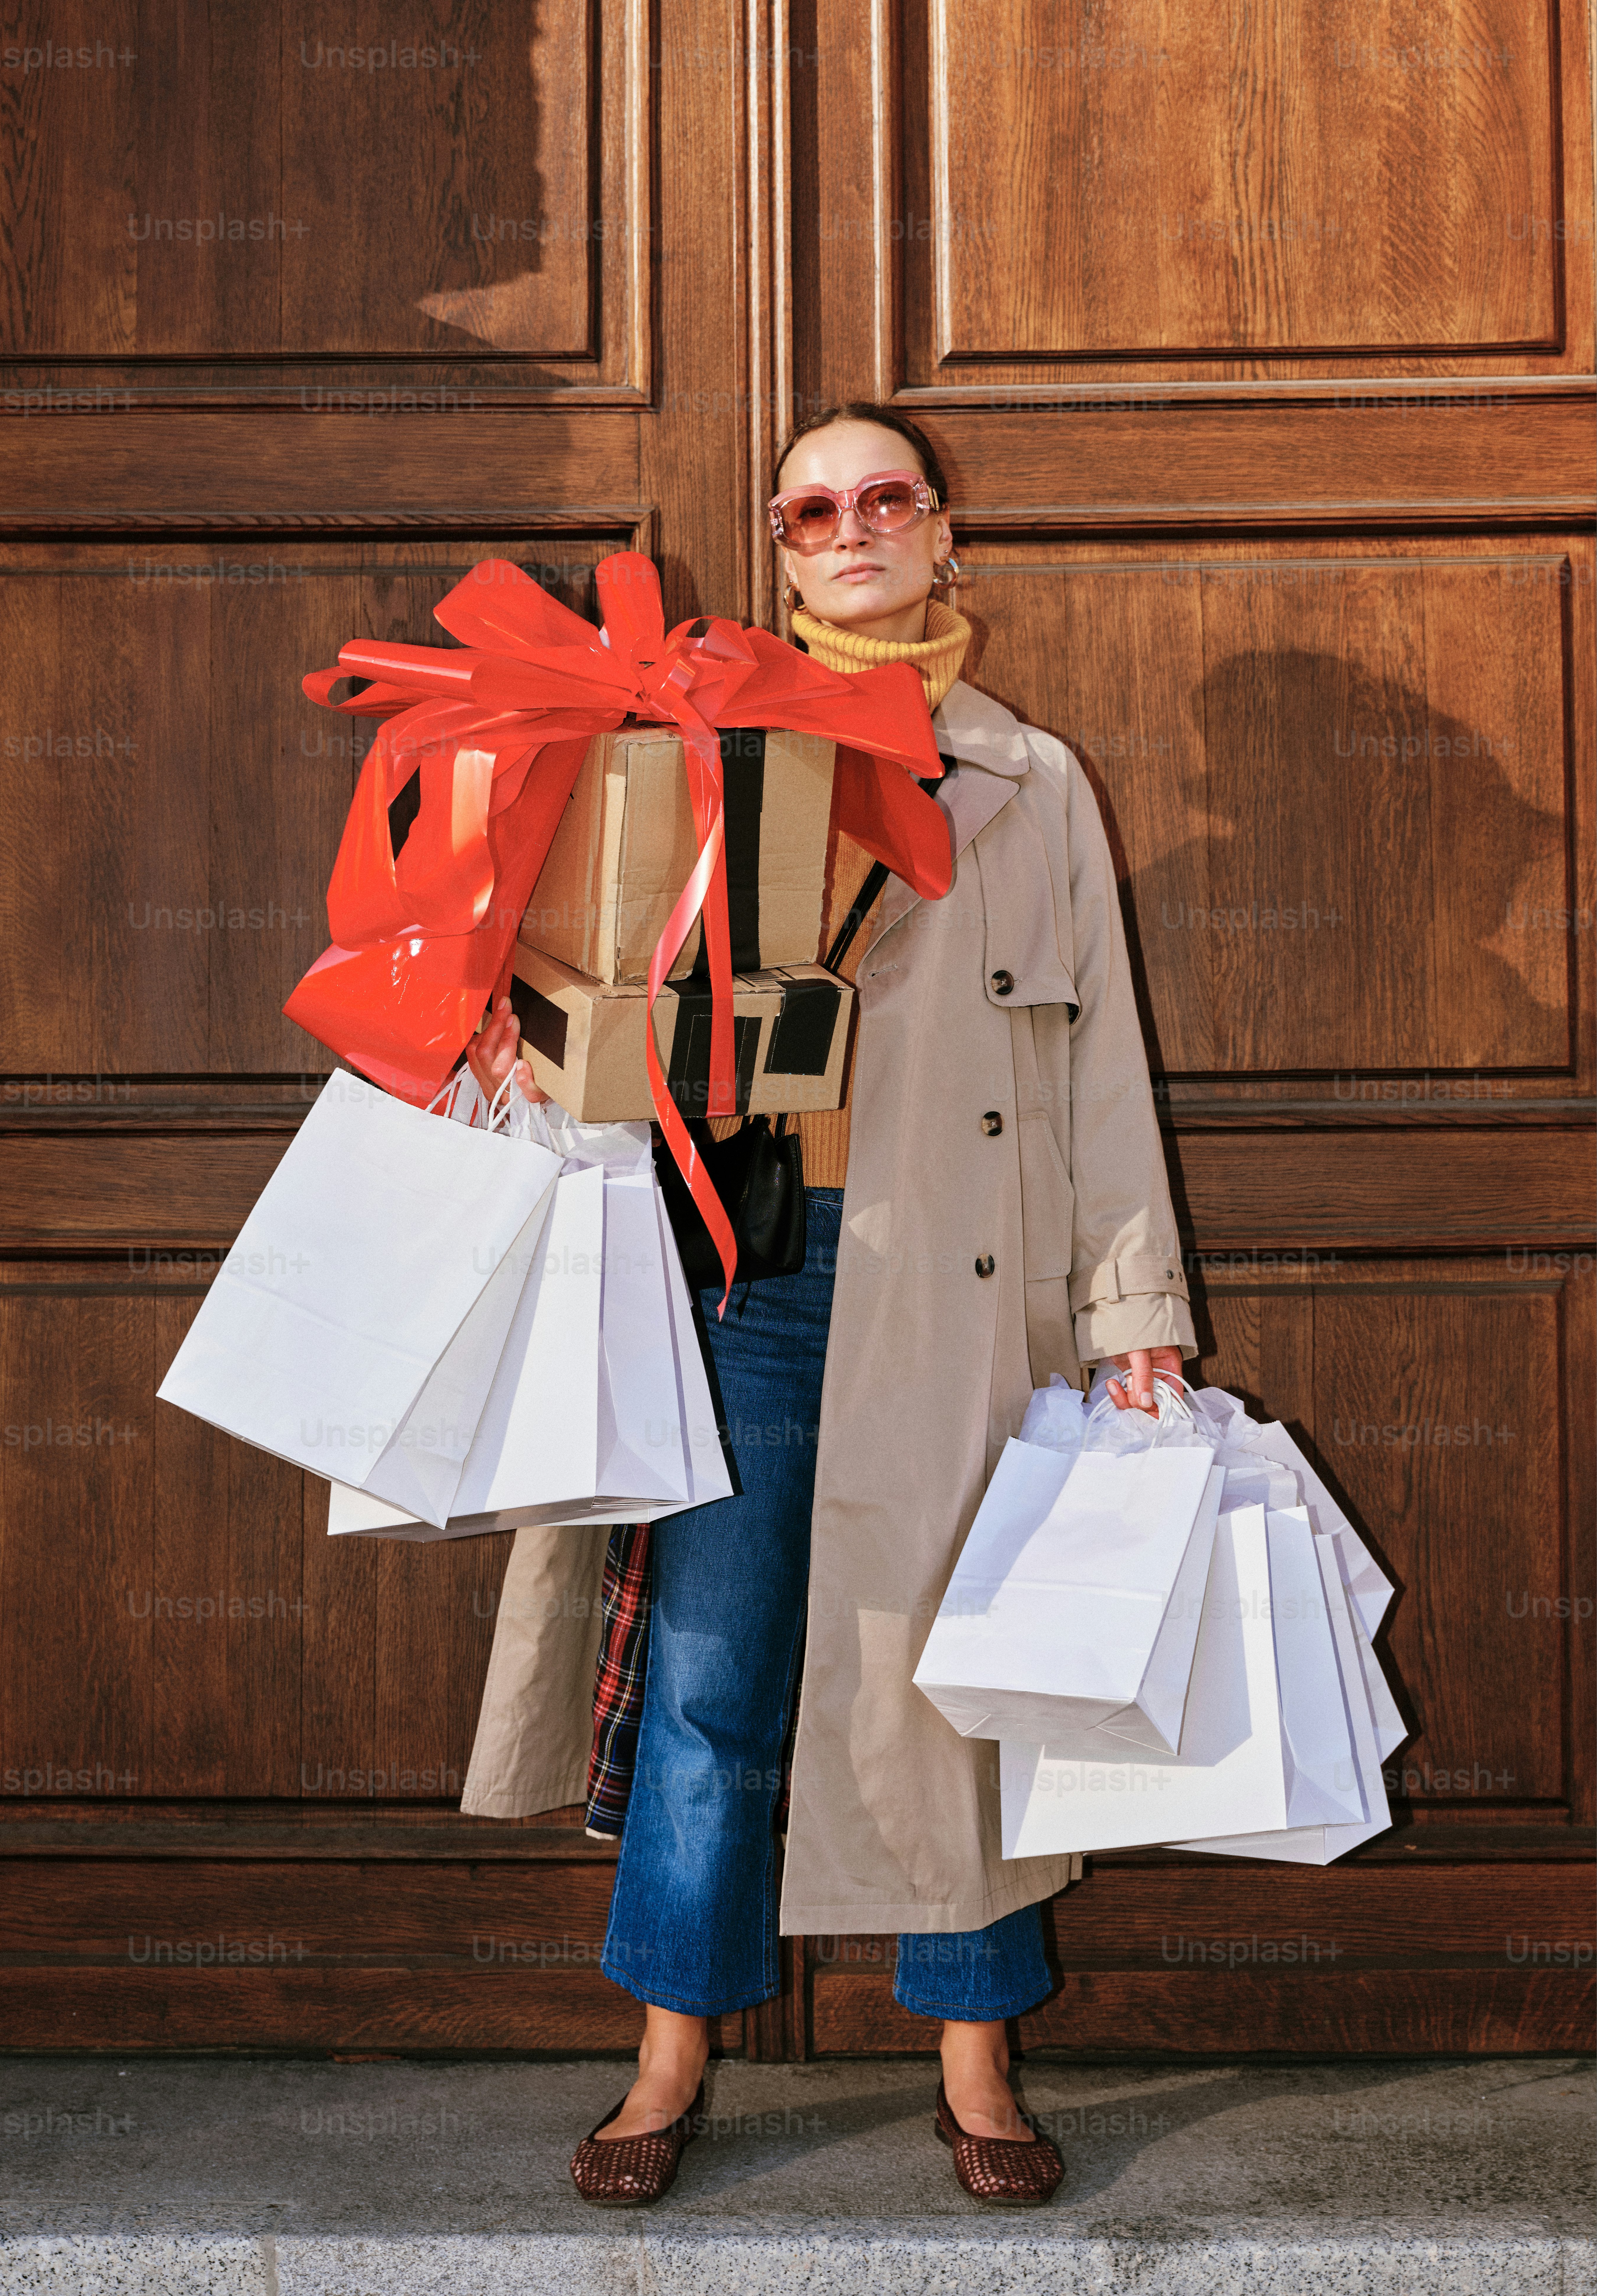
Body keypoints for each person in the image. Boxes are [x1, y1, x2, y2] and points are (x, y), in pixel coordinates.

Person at [464, 403, 1196, 2208]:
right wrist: (511, 1012)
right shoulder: (686, 741)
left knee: (961, 1681)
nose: (851, 525)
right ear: (782, 549)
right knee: (711, 1680)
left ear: (946, 536)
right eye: (813, 507)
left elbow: (1100, 1060)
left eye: (887, 497)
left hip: (958, 1288)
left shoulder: (1028, 779)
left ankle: (975, 2051)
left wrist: (1133, 1314)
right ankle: (666, 2052)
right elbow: (580, 956)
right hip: (745, 1272)